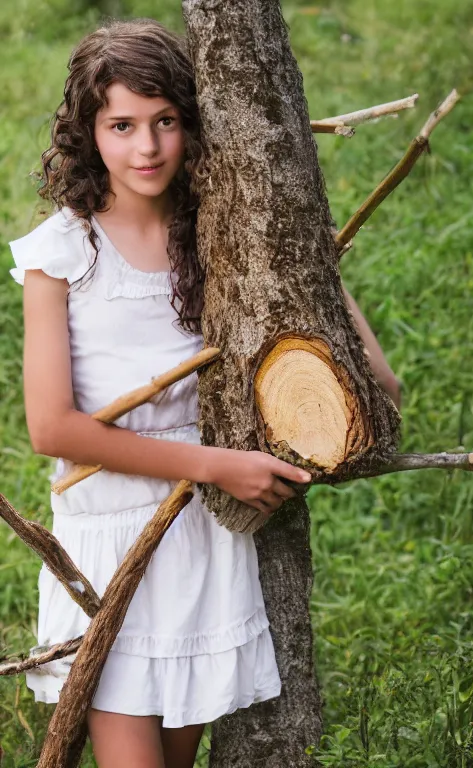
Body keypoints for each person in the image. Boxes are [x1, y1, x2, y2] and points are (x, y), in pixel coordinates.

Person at [8, 18, 399, 768]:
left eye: (166, 122)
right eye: (120, 125)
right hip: (113, 539)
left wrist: (312, 266)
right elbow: (52, 427)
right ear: (88, 132)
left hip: (204, 543)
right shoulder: (63, 253)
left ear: (193, 123)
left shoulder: (218, 238)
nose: (146, 148)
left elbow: (379, 387)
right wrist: (218, 466)